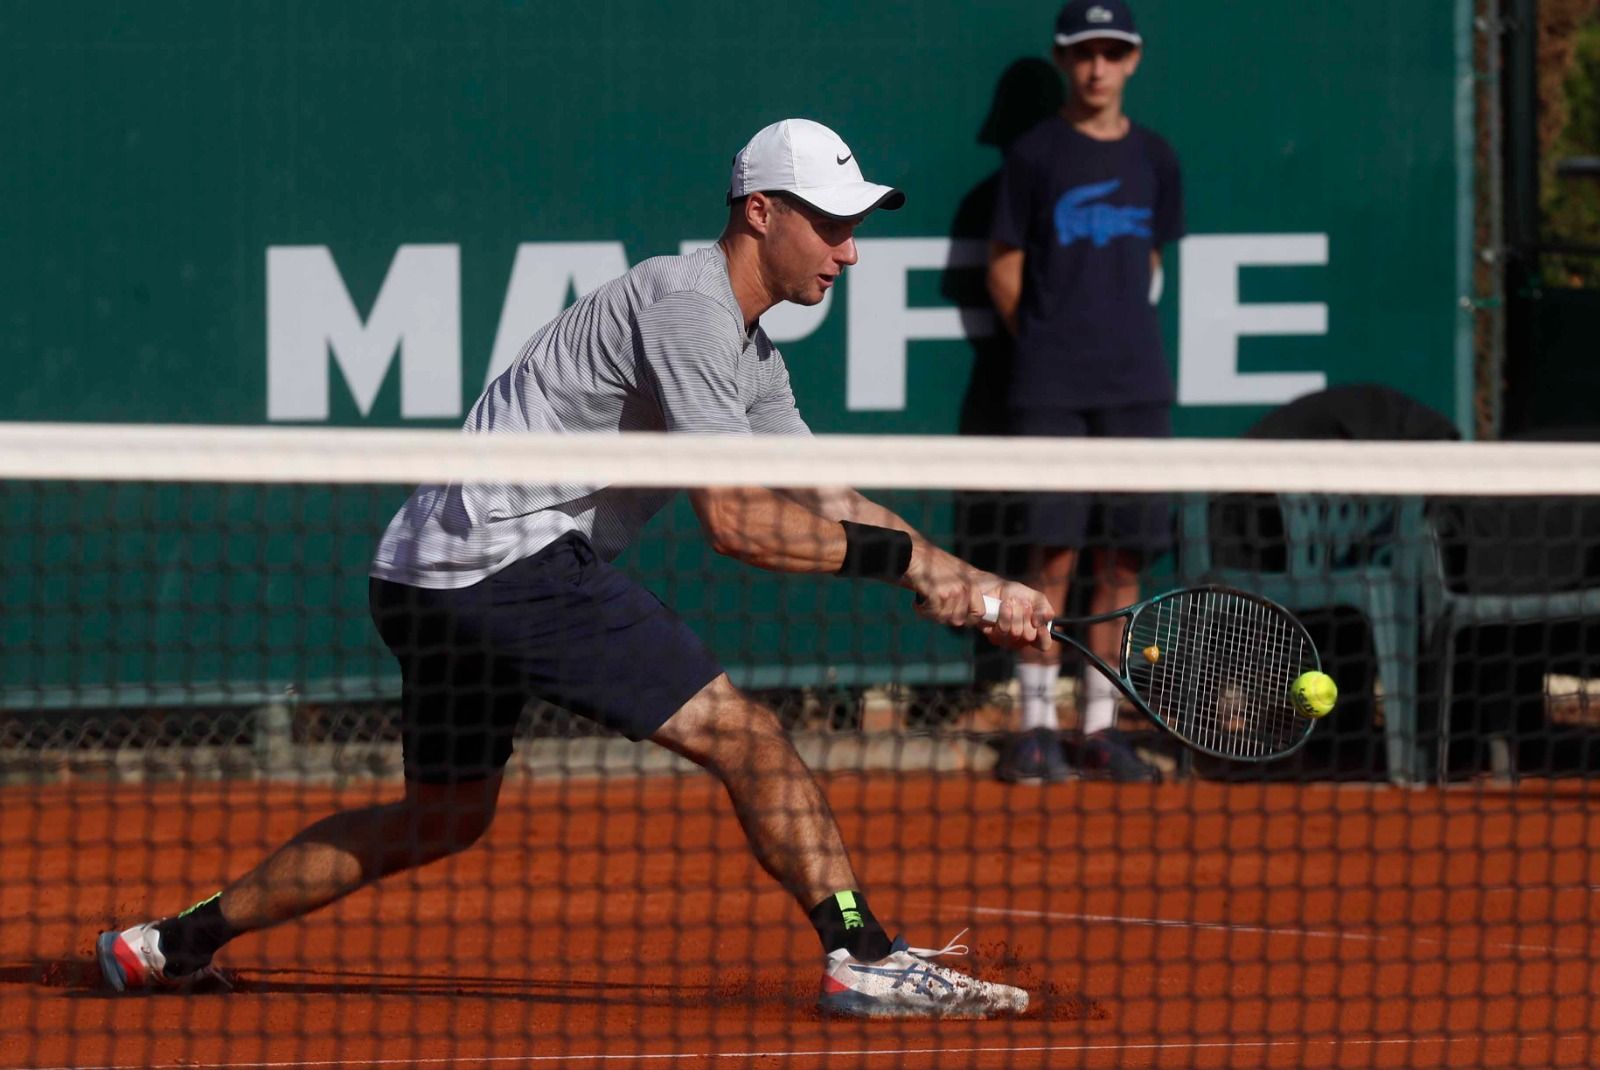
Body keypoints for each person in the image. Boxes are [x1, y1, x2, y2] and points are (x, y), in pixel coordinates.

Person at [96, 119, 1055, 1020]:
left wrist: (974, 582)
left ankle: (174, 941)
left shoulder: (747, 355)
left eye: (853, 230)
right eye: (831, 225)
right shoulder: (689, 304)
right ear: (759, 211)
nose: (848, 251)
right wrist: (908, 573)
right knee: (747, 735)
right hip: (511, 564)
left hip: (423, 574)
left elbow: (827, 497)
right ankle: (864, 955)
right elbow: (735, 524)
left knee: (443, 819)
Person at [986, 0, 1184, 783]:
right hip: (1050, 386)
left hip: (1137, 385)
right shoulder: (1034, 156)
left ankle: (1100, 728)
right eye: (1083, 53)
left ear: (1131, 60)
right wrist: (1046, 343)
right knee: (1053, 553)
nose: (1097, 67)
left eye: (1112, 52)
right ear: (1065, 61)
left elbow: (1154, 264)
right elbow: (1005, 265)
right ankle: (1037, 726)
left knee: (1124, 555)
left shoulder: (1157, 158)